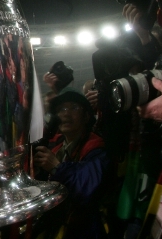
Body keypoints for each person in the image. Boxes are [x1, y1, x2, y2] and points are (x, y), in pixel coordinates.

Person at [33, 90, 109, 239]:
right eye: (61, 109)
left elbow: (88, 187)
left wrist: (56, 168)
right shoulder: (55, 146)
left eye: (73, 108)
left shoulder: (96, 148)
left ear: (86, 116)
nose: (66, 114)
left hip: (85, 229)